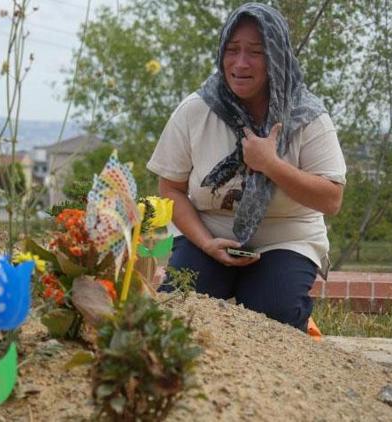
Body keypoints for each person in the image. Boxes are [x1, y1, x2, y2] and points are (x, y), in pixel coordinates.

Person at [146, 2, 346, 331]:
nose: (240, 63)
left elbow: (331, 199)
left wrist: (271, 164)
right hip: (207, 235)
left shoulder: (306, 115)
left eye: (255, 52)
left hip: (285, 240)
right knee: (176, 310)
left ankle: (296, 315)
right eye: (232, 49)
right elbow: (170, 189)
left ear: (277, 57)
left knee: (273, 315)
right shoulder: (196, 109)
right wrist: (206, 242)